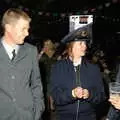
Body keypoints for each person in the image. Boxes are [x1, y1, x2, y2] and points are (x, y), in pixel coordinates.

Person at [50, 25, 106, 120]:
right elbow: (56, 96)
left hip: (88, 117)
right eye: (80, 43)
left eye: (85, 43)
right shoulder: (58, 67)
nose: (84, 46)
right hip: (64, 117)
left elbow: (101, 96)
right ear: (71, 46)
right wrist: (72, 94)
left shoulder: (93, 68)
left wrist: (89, 95)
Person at [0, 8, 44, 120]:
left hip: (27, 115)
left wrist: (38, 110)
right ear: (8, 28)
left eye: (27, 29)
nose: (27, 33)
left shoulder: (31, 51)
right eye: (23, 29)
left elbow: (36, 84)